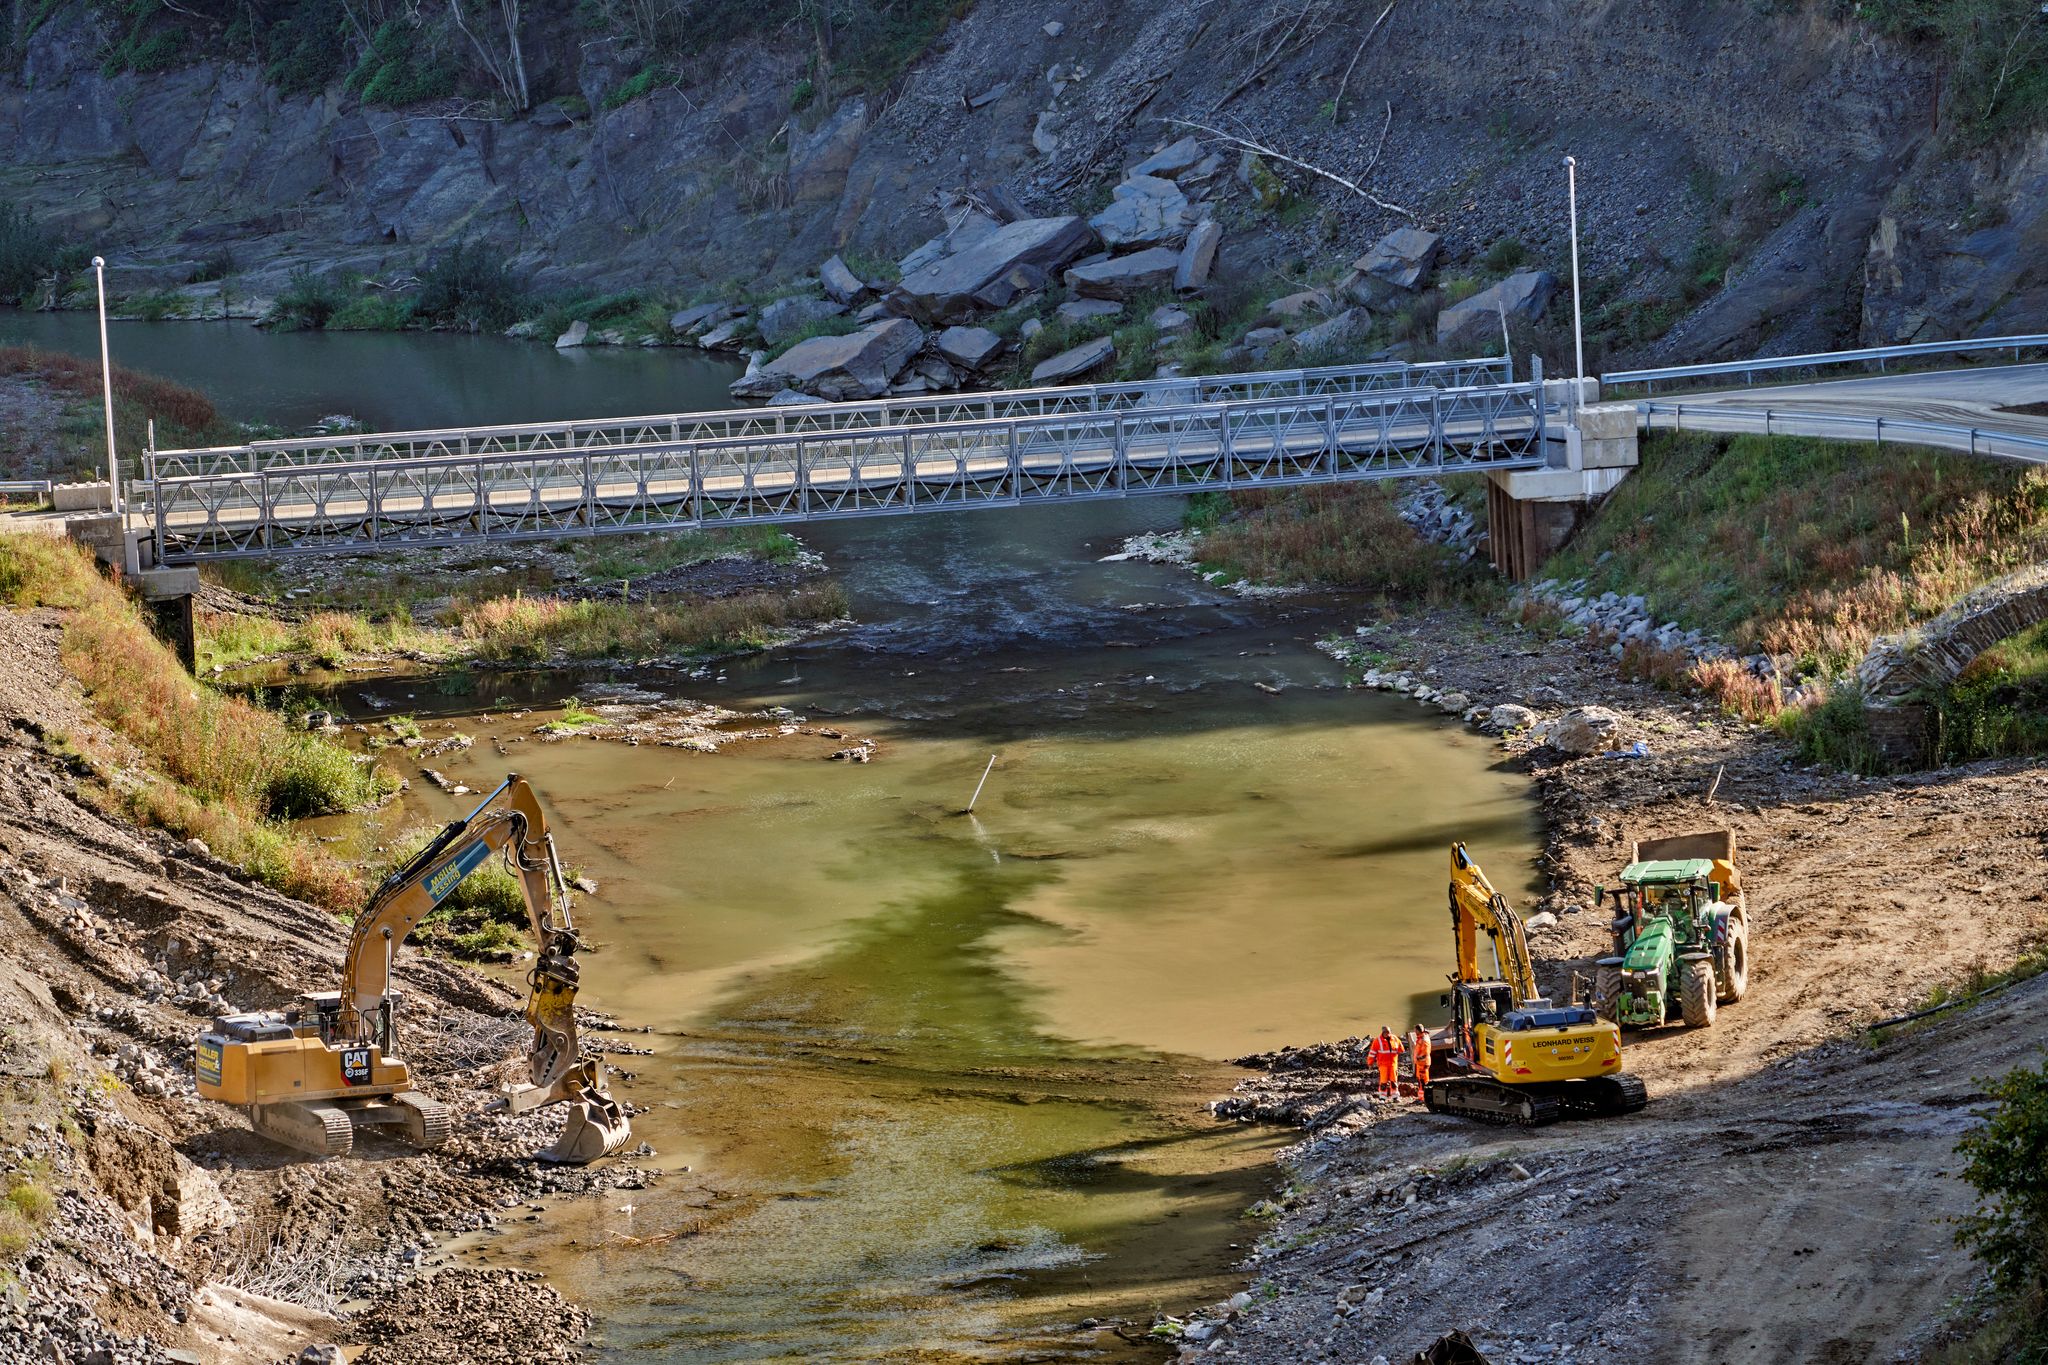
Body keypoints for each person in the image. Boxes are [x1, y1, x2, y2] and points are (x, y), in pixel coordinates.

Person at [1366, 1026, 1400, 1098]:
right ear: (1383, 1032)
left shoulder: (1395, 1039)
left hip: (1393, 1064)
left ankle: (1395, 1096)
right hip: (1383, 1065)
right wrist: (1370, 1063)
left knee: (1394, 1081)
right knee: (1383, 1082)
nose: (1387, 1034)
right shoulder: (1377, 1041)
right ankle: (1382, 1097)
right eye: (1386, 1032)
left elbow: (1401, 1048)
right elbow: (1372, 1053)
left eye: (1388, 1032)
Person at [1408, 1025, 1431, 1102]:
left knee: (1423, 1081)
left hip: (1423, 1063)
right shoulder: (1421, 1038)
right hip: (1420, 1063)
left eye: (1415, 1031)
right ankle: (1422, 1097)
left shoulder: (1424, 1039)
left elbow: (1426, 1052)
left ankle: (1424, 1098)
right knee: (1421, 1081)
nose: (1415, 1032)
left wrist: (1419, 1058)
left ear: (1418, 1030)